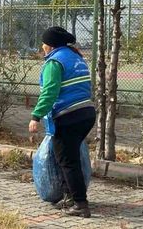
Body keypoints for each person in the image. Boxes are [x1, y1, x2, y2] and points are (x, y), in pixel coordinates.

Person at [29, 26, 95, 218]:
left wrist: (36, 116)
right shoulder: (76, 57)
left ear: (49, 45)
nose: (42, 46)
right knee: (68, 157)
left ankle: (81, 204)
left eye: (43, 43)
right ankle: (70, 198)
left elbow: (49, 92)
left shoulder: (55, 62)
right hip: (87, 113)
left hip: (69, 116)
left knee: (68, 161)